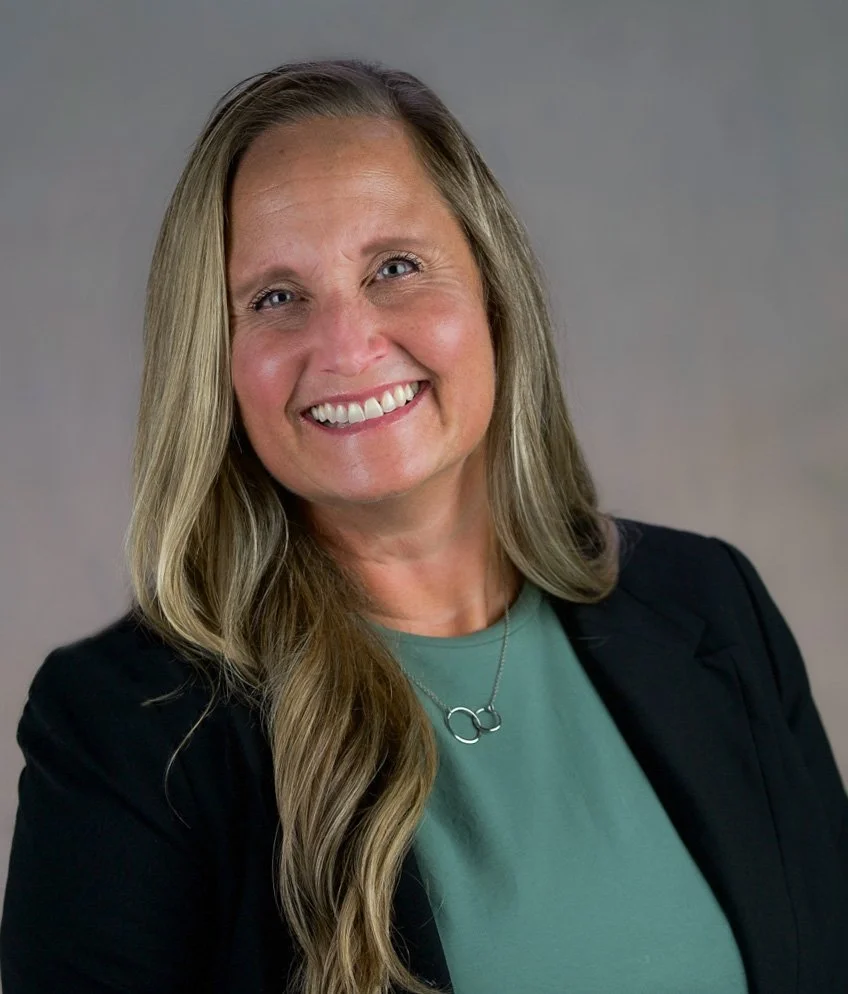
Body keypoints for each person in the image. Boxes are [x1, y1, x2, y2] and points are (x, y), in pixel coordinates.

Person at [1, 58, 846, 994]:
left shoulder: (712, 605)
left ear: (492, 291)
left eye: (394, 267)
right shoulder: (128, 730)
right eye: (276, 298)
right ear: (216, 364)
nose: (349, 346)